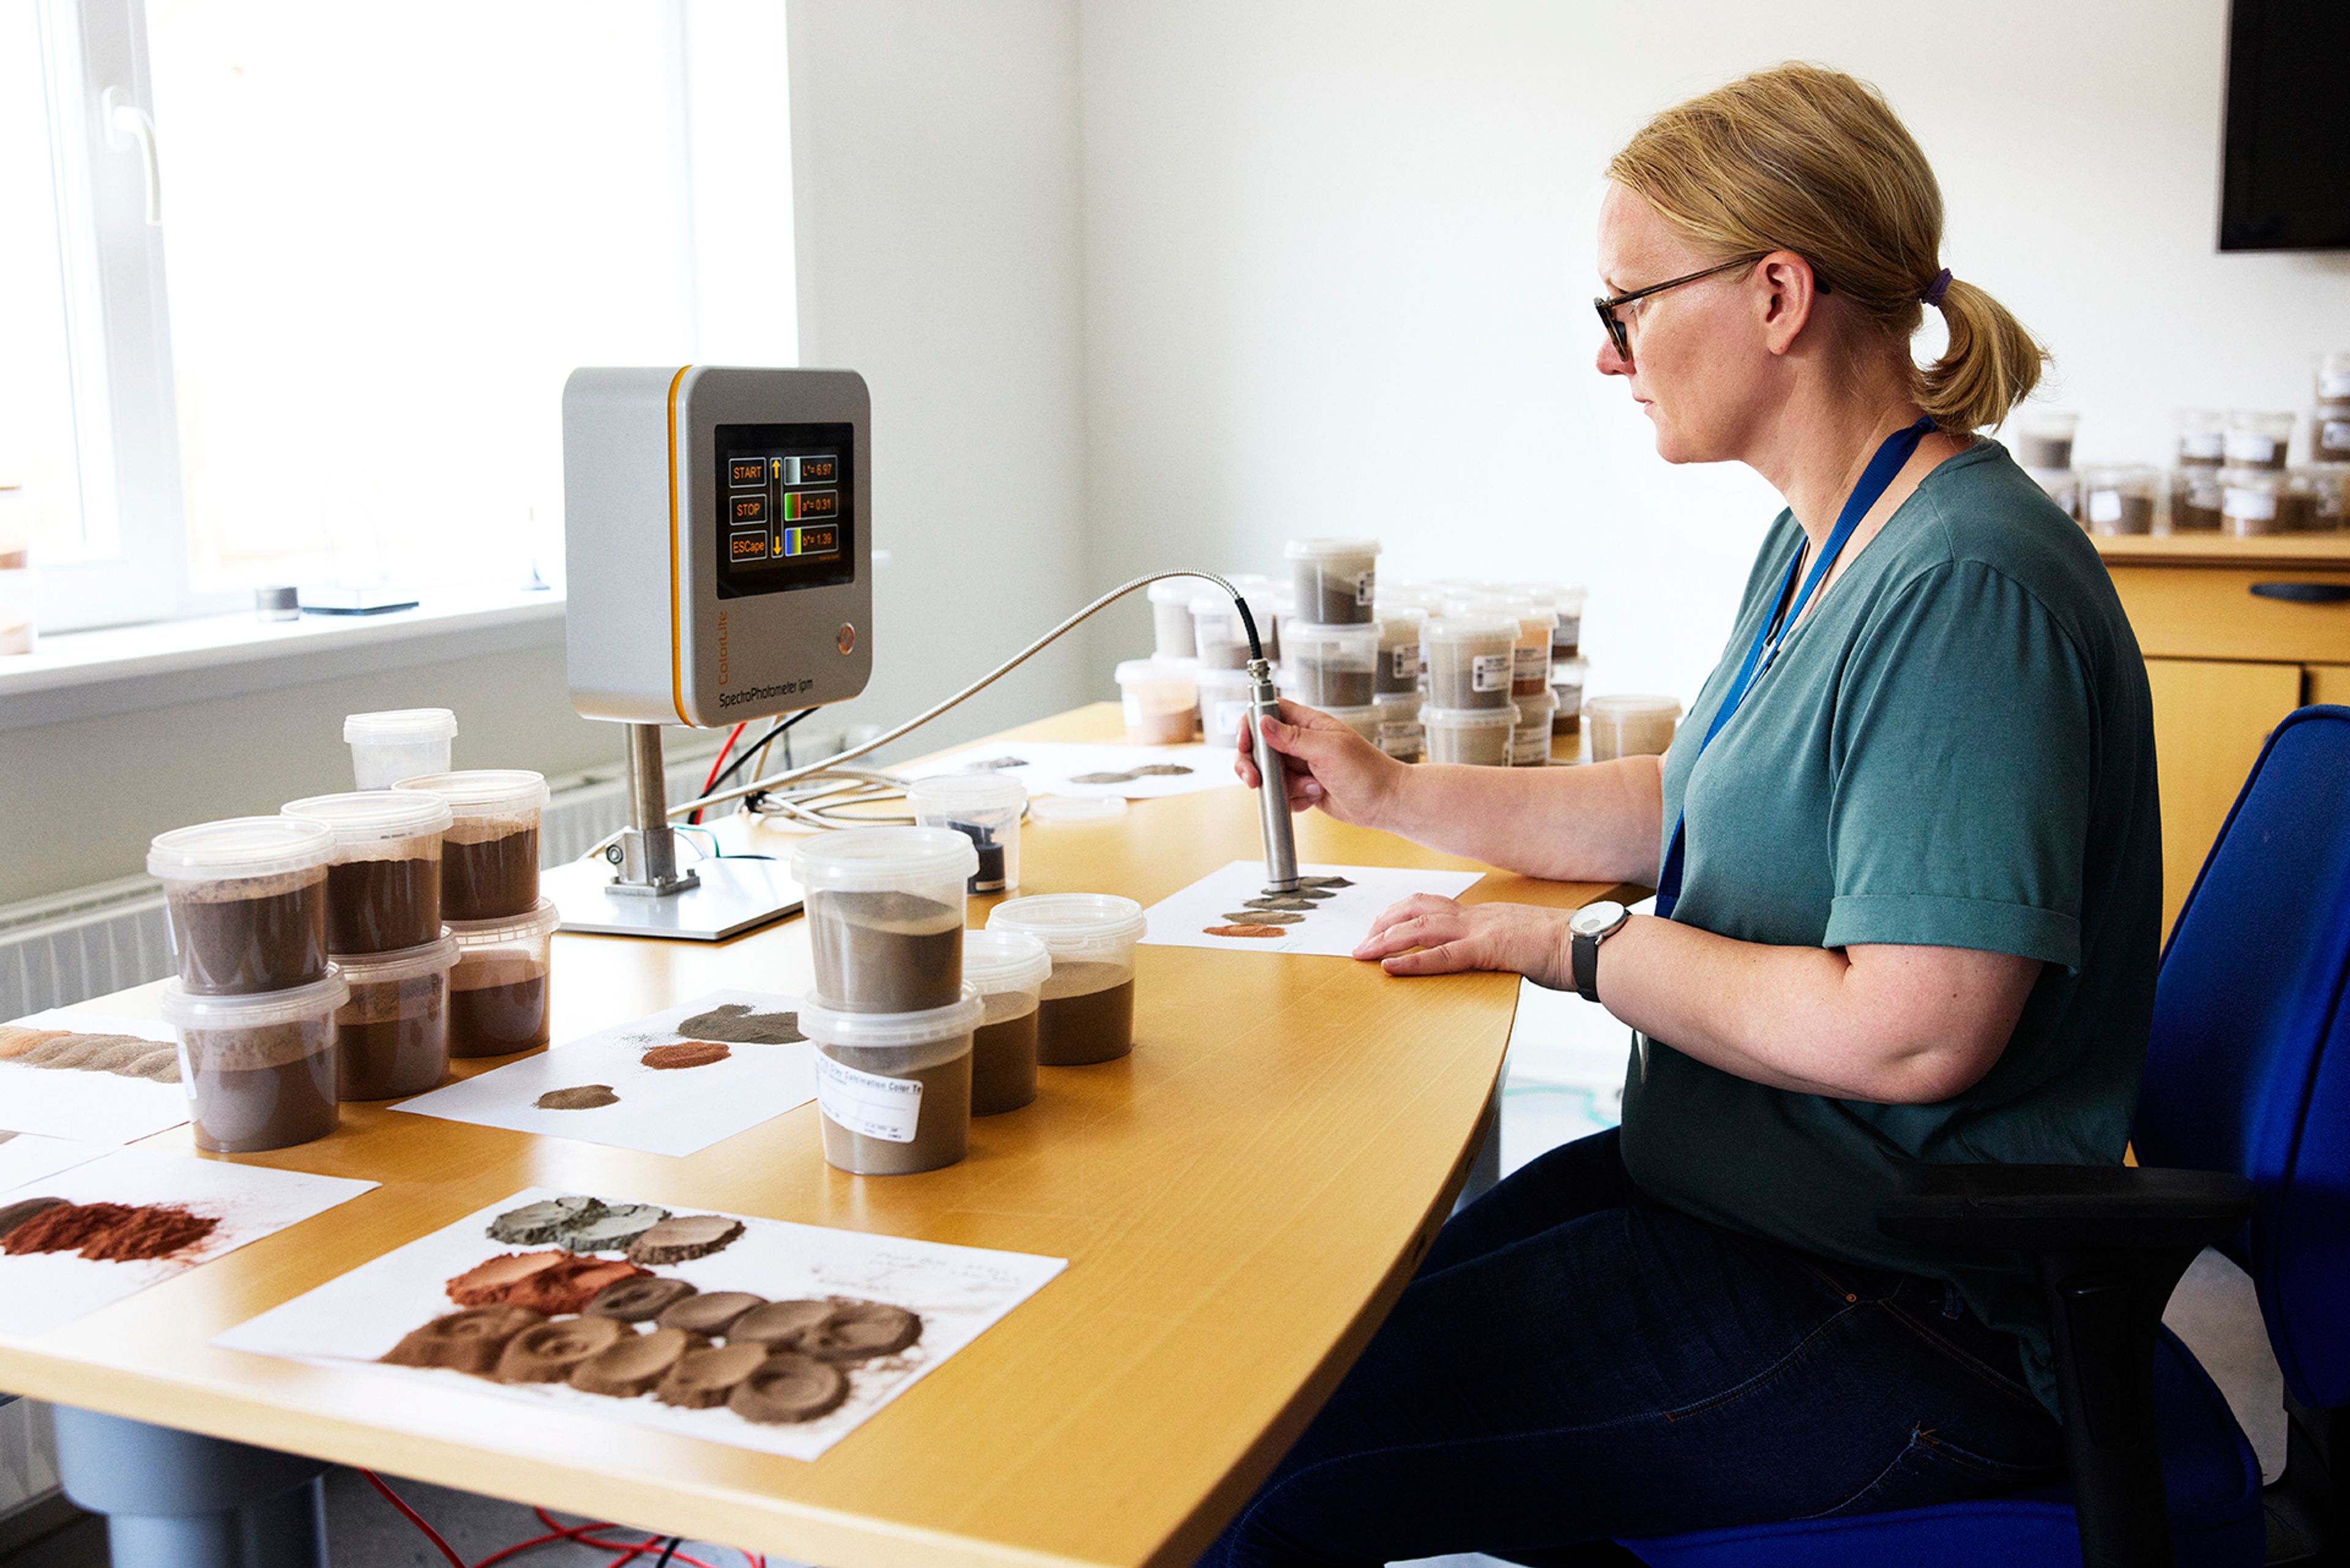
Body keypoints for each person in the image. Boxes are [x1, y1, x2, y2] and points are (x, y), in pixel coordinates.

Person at [1207, 61, 2160, 1565]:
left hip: (1898, 1312)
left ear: (1777, 294)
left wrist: (1564, 947)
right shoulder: (1831, 537)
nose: (1610, 356)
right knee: (1289, 1361)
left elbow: (1911, 1031)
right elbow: (1696, 797)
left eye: (1626, 305)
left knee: (1255, 1481)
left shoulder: (1965, 586)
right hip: (1748, 1215)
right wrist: (1394, 792)